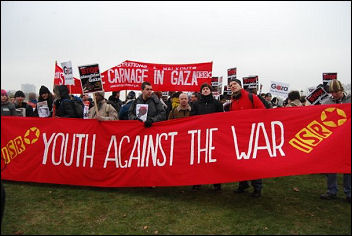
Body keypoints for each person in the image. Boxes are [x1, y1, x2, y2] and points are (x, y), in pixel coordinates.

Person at [228, 78, 265, 197]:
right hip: (239, 135)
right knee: (240, 160)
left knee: (254, 162)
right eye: (230, 85)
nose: (232, 86)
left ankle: (257, 187)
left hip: (252, 134)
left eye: (234, 84)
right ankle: (243, 184)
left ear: (240, 86)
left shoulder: (251, 97)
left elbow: (262, 111)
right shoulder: (232, 101)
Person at [320, 79, 351, 203]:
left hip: (348, 138)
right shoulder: (326, 103)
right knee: (331, 165)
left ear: (341, 90)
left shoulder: (349, 101)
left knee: (347, 166)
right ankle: (331, 191)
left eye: (336, 92)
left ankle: (349, 192)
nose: (334, 94)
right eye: (332, 92)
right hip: (332, 140)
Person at [190, 83, 224, 191]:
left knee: (214, 158)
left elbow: (221, 117)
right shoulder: (195, 104)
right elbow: (192, 118)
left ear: (210, 91)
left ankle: (216, 182)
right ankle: (197, 181)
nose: (205, 90)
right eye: (203, 89)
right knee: (199, 158)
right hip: (200, 135)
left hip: (213, 135)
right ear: (201, 91)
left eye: (207, 89)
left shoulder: (217, 103)